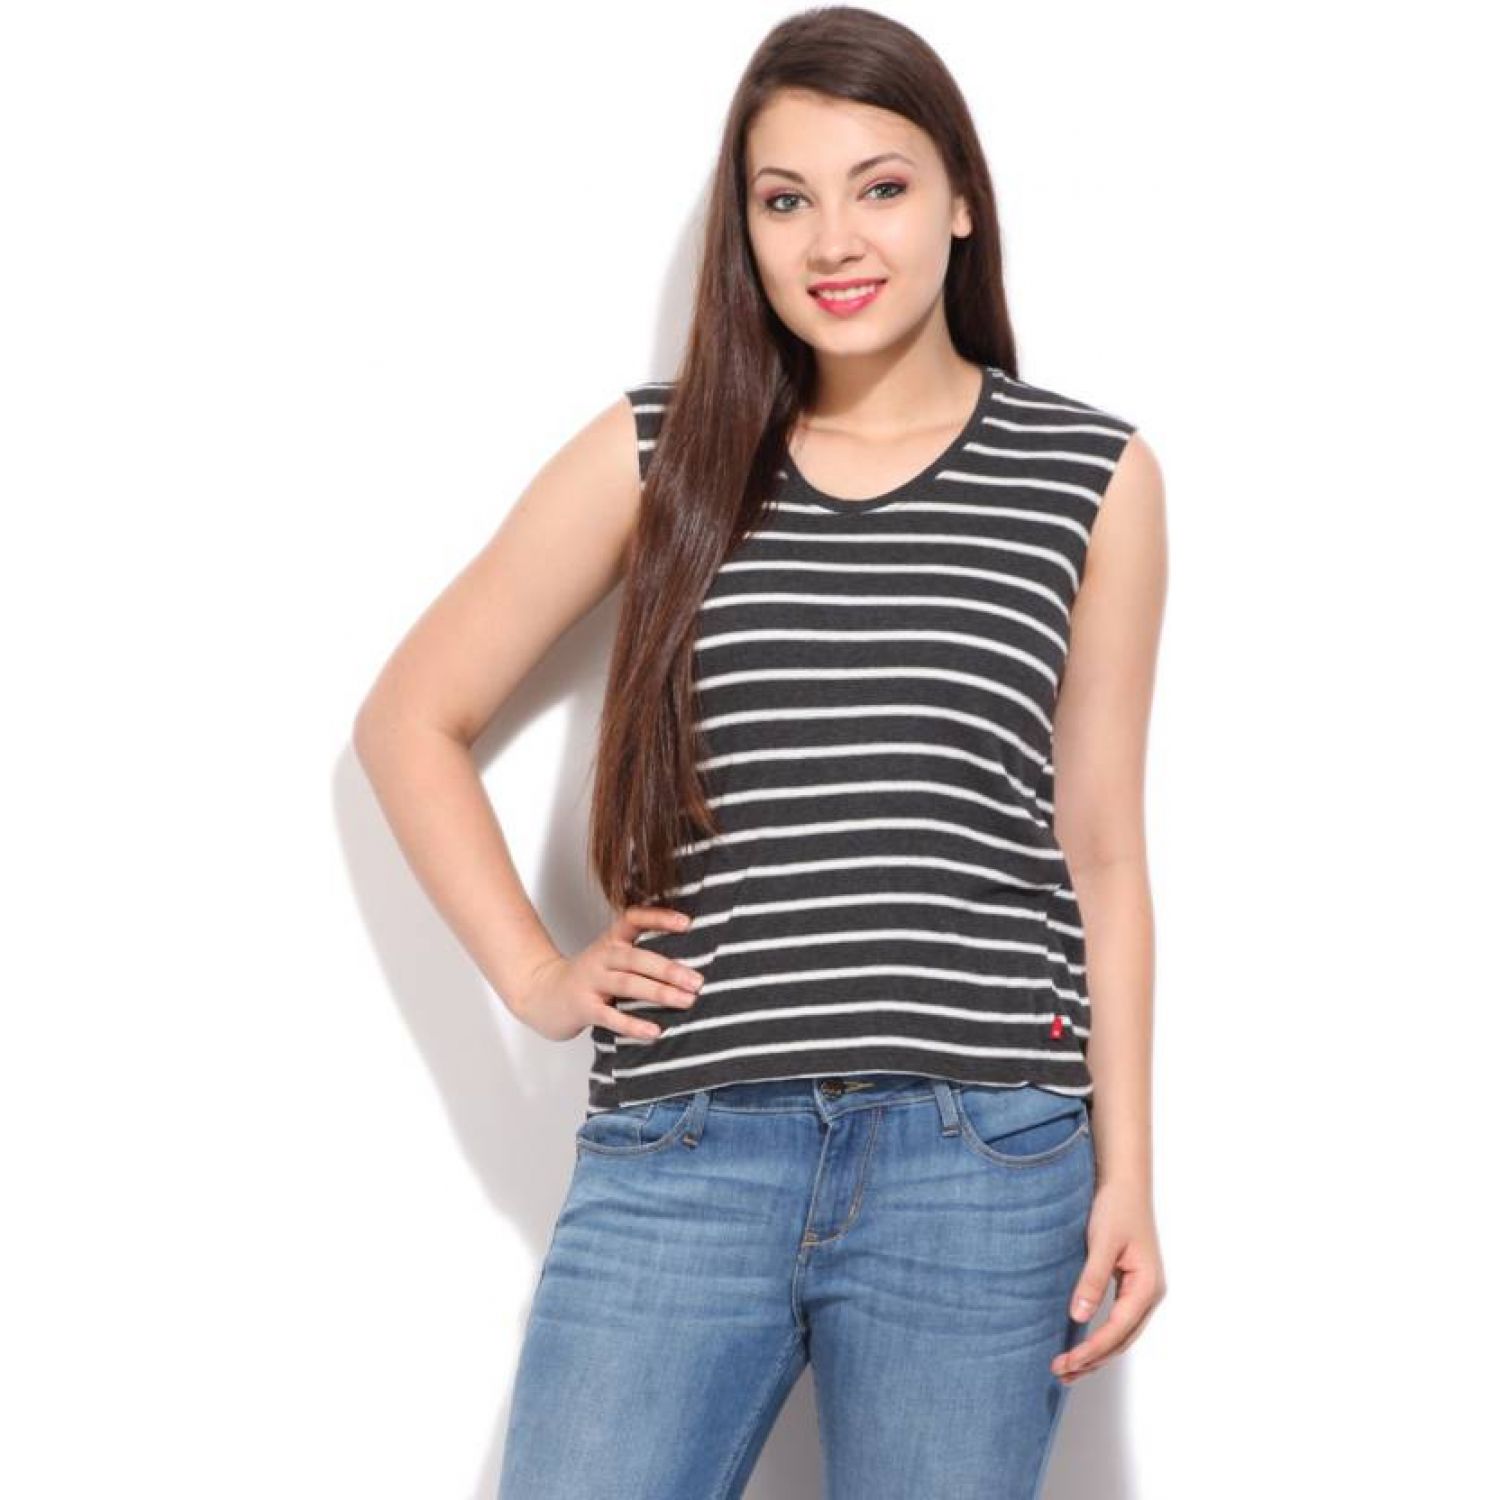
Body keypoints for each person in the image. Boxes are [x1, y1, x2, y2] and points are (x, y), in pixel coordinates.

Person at [353, 7, 1168, 1497]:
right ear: (745, 227)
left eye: (881, 186)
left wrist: (1130, 1171)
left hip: (982, 1156)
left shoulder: (1089, 476)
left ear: (962, 199)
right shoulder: (657, 452)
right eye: (785, 199)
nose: (833, 240)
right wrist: (536, 977)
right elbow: (411, 717)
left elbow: (1100, 847)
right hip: (686, 1144)